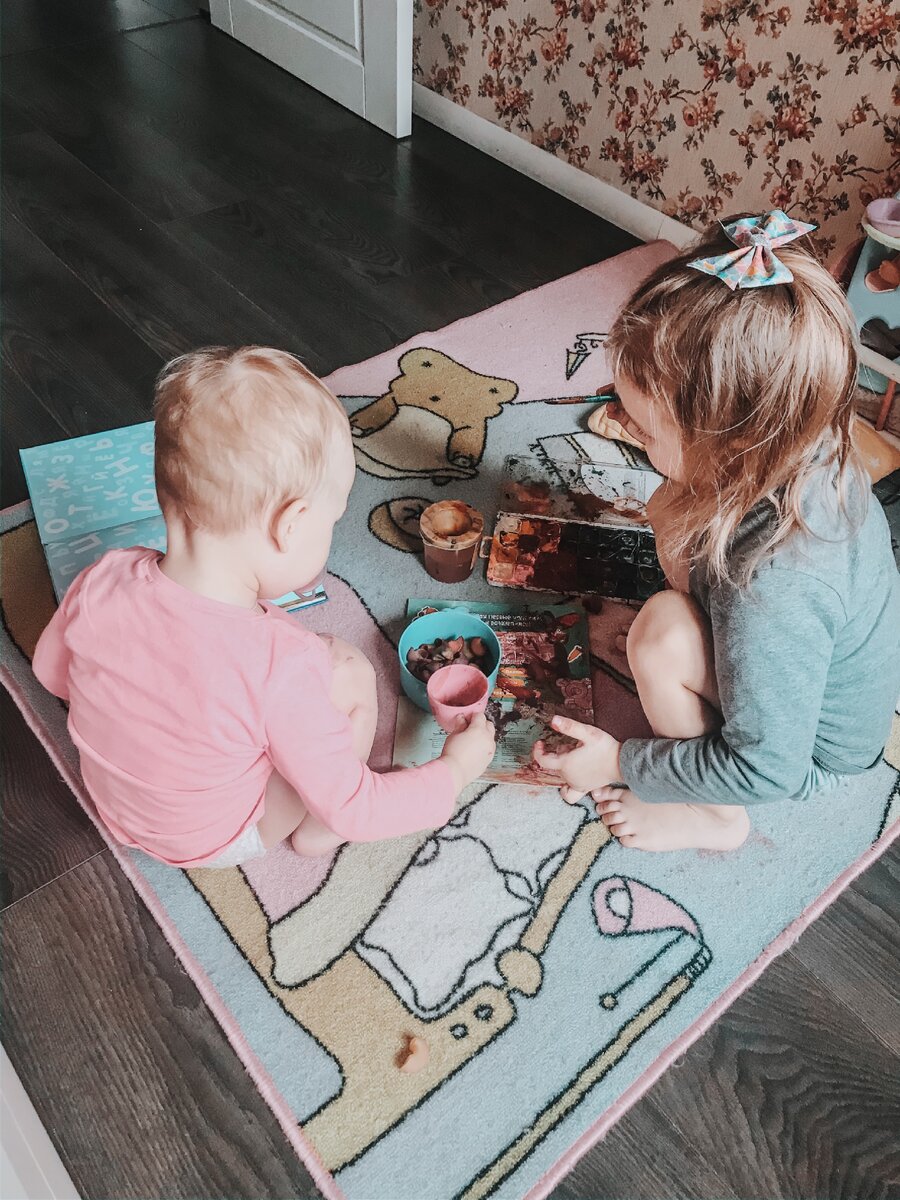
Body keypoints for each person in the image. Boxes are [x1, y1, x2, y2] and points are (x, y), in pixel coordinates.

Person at [33, 347, 495, 868]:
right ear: (289, 526)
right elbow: (358, 808)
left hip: (122, 812)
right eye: (332, 521)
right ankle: (315, 834)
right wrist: (454, 769)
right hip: (218, 838)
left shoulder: (105, 576)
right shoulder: (282, 663)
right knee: (349, 671)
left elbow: (52, 674)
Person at [534, 211, 900, 851]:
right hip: (788, 668)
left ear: (731, 440)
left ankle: (712, 818)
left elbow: (768, 769)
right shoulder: (801, 439)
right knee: (669, 508)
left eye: (644, 428)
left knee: (663, 633)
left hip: (801, 760)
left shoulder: (774, 584)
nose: (624, 425)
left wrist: (619, 764)